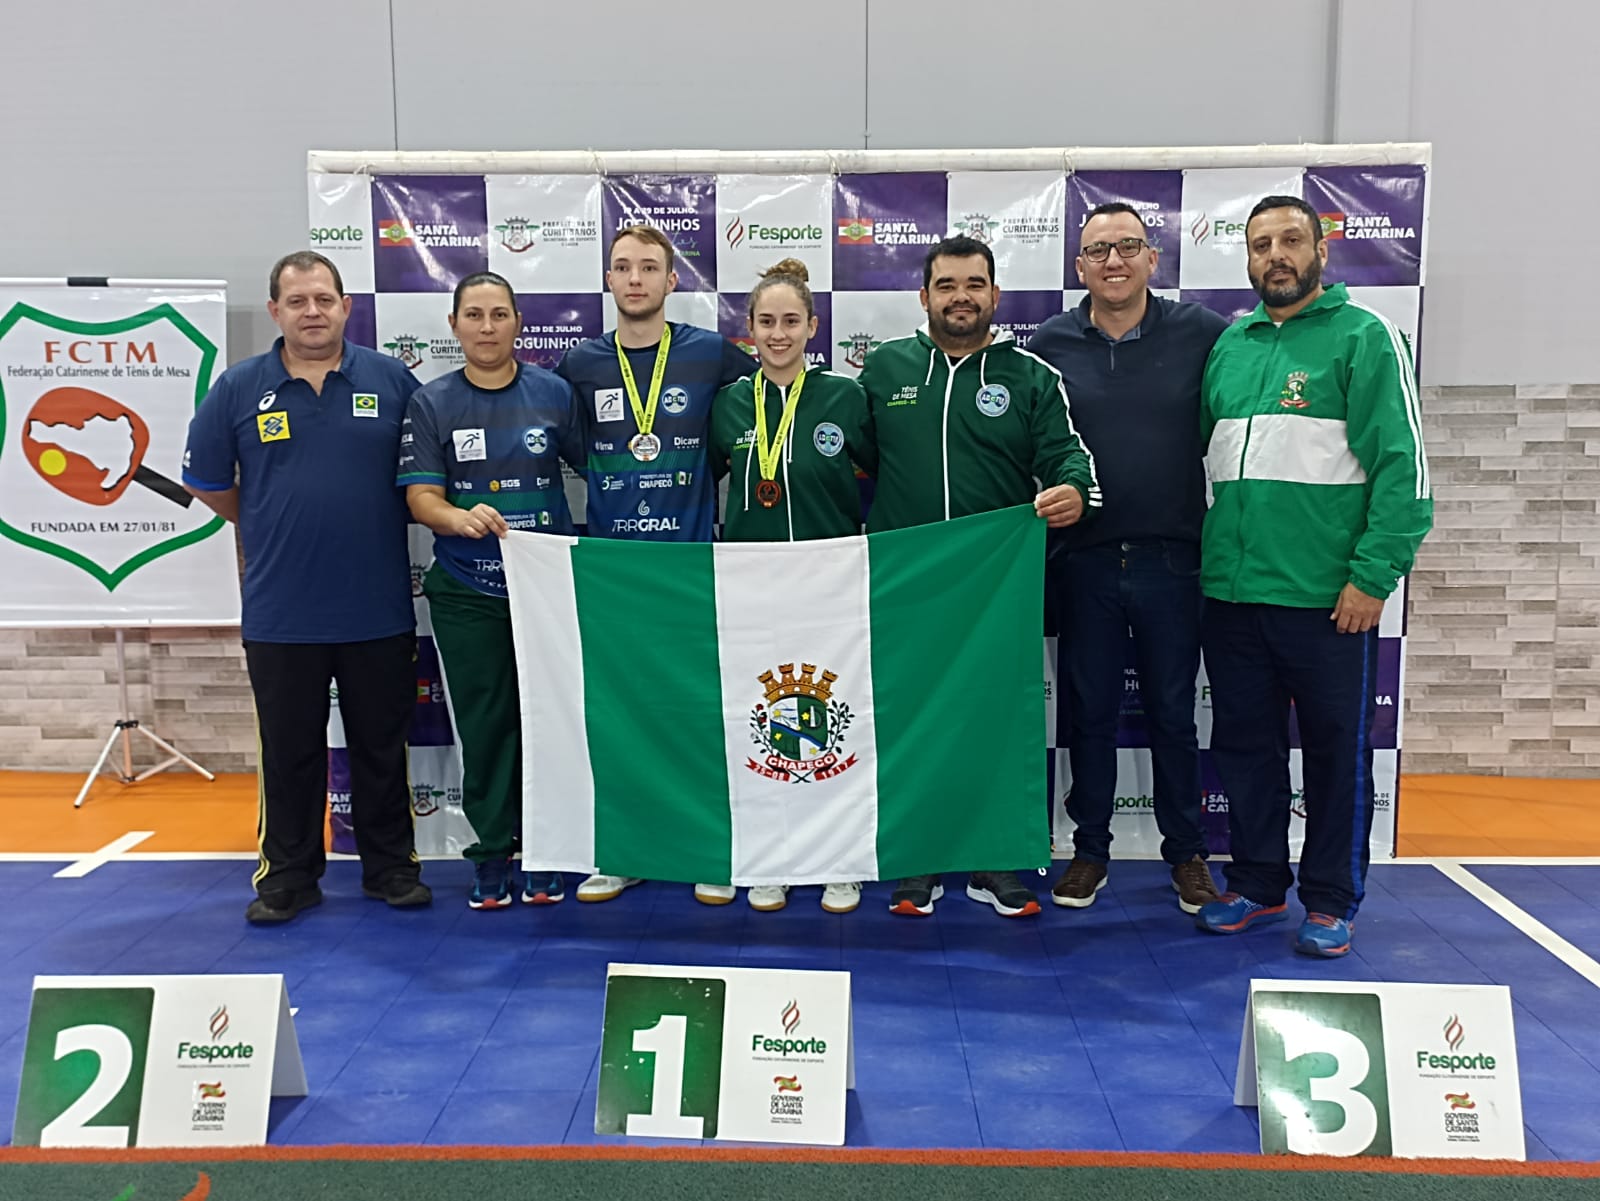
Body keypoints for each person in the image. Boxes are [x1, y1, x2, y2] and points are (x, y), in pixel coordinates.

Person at [1194, 195, 1432, 957]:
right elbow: (1217, 466)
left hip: (1331, 602)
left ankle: (1332, 899)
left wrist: (1373, 575)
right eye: (1261, 244)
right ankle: (1261, 884)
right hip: (1232, 596)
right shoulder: (1230, 347)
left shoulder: (1365, 337)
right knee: (1245, 749)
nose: (1276, 255)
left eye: (1290, 239)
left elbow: (1406, 471)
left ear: (1321, 249)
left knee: (1335, 753)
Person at [183, 251, 431, 924]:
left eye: (324, 298)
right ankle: (288, 875)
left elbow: (423, 477)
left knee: (382, 747)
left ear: (347, 306)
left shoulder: (392, 380)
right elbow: (208, 482)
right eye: (298, 301)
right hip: (281, 612)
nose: (312, 311)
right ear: (275, 311)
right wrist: (265, 515)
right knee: (289, 750)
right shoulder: (238, 388)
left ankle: (390, 868)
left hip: (376, 606)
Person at [860, 234, 1101, 919]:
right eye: (946, 284)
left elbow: (1068, 459)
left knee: (997, 721)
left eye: (974, 284)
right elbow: (851, 460)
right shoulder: (884, 371)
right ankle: (916, 857)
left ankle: (996, 856)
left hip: (996, 589)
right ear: (924, 296)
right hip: (904, 584)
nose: (960, 296)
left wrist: (1074, 494)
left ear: (995, 296)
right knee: (907, 720)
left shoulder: (1029, 376)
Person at [1030, 203, 1229, 916]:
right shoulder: (1050, 342)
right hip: (1081, 562)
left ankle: (1187, 854)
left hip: (1175, 561)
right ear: (1078, 266)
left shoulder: (1203, 332)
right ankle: (1089, 849)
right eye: (1097, 250)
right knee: (1089, 713)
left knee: (1175, 713)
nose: (1113, 260)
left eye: (1127, 247)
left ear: (1153, 258)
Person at [555, 225, 755, 904]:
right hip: (615, 569)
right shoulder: (580, 366)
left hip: (694, 564)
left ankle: (710, 847)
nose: (635, 278)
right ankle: (627, 850)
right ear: (608, 281)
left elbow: (755, 424)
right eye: (622, 267)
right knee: (623, 715)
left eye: (649, 267)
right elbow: (575, 450)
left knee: (700, 712)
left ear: (673, 281)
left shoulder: (712, 355)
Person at [398, 272, 585, 910]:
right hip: (467, 589)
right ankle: (490, 853)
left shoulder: (554, 394)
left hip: (548, 593)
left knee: (548, 722)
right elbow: (421, 497)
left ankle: (545, 849)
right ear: (454, 325)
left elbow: (604, 469)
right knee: (485, 723)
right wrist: (459, 517)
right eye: (473, 315)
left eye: (498, 314)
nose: (486, 326)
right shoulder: (432, 402)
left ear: (517, 323)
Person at [709, 258, 876, 914]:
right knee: (765, 723)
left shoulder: (846, 398)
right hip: (752, 588)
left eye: (791, 321)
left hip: (830, 583)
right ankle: (772, 855)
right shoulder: (728, 404)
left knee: (832, 720)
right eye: (766, 322)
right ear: (748, 329)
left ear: (813, 325)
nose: (778, 334)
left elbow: (881, 475)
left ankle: (838, 858)